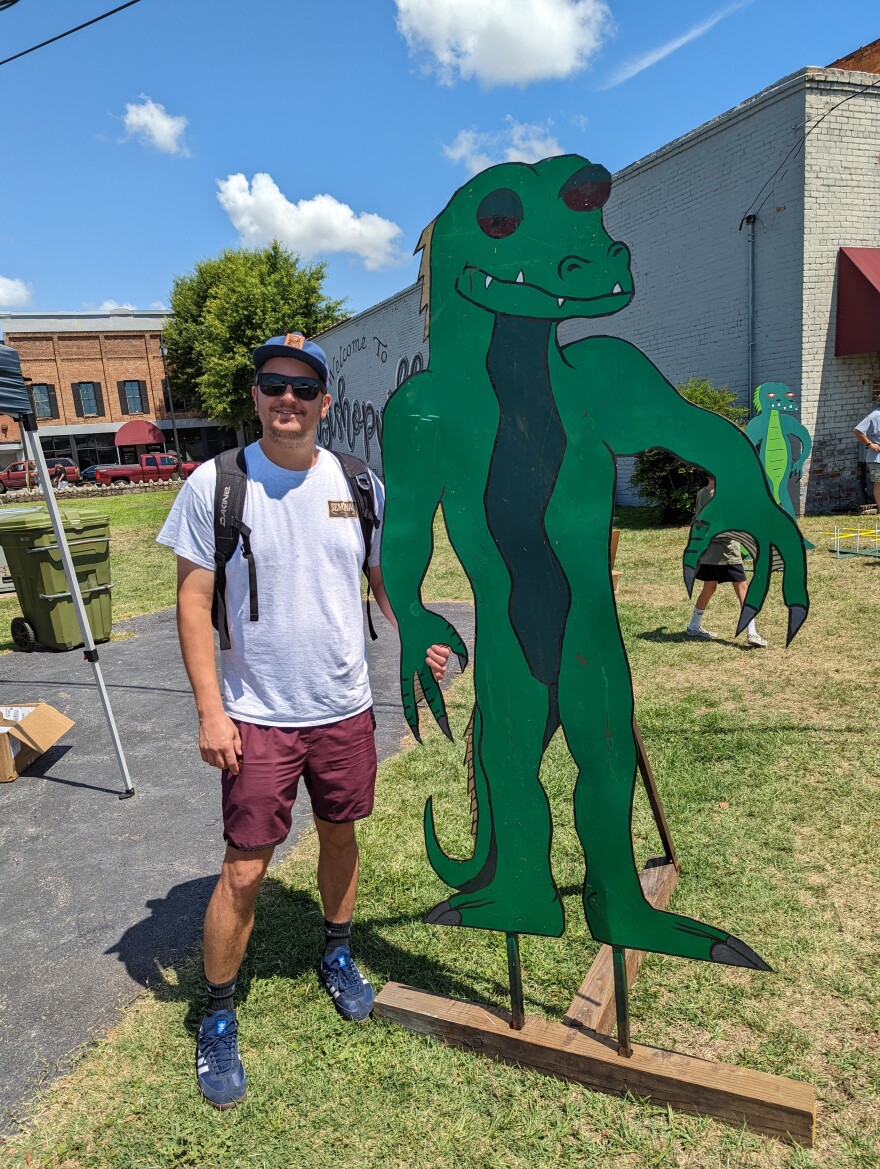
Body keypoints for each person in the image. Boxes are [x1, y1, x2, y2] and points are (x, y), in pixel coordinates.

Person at [157, 332, 451, 1109]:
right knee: (246, 866)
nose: (287, 399)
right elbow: (191, 601)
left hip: (345, 706)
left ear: (324, 401)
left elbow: (383, 576)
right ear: (254, 395)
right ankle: (217, 1014)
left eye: (302, 387)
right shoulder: (215, 484)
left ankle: (337, 953)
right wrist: (210, 710)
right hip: (257, 717)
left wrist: (418, 640)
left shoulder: (360, 482)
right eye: (272, 385)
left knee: (341, 835)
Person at [685, 476, 767, 647]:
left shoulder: (702, 493)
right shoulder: (724, 495)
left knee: (709, 587)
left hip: (707, 551)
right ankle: (752, 633)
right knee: (743, 588)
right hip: (726, 550)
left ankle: (693, 626)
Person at [853, 405, 880, 511]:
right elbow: (858, 430)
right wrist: (870, 444)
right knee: (879, 482)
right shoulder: (875, 415)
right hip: (877, 458)